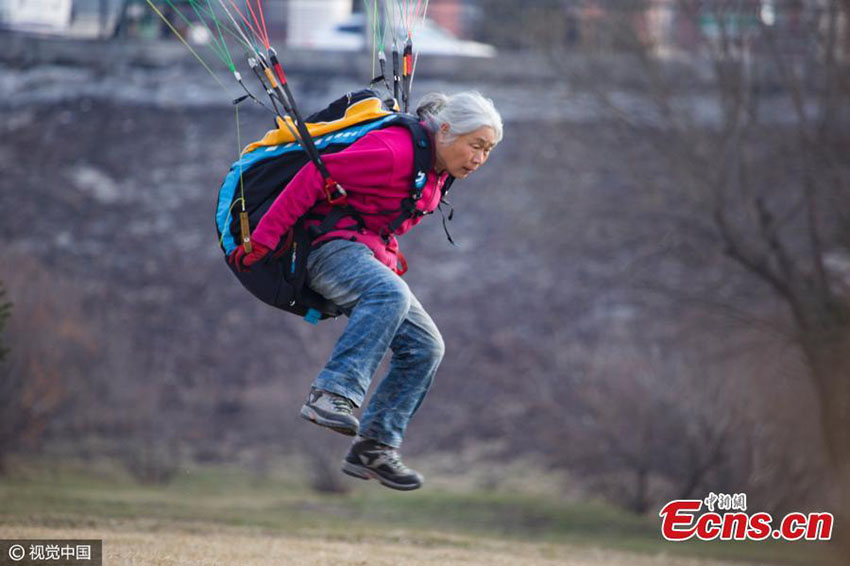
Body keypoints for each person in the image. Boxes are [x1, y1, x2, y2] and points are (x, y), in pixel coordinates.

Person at [229, 91, 503, 491]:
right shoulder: (392, 151)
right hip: (321, 249)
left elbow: (378, 218)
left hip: (359, 253)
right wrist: (263, 242)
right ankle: (331, 394)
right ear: (445, 131)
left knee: (426, 347)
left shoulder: (438, 170)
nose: (479, 158)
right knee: (389, 295)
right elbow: (312, 176)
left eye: (488, 150)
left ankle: (374, 446)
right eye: (475, 145)